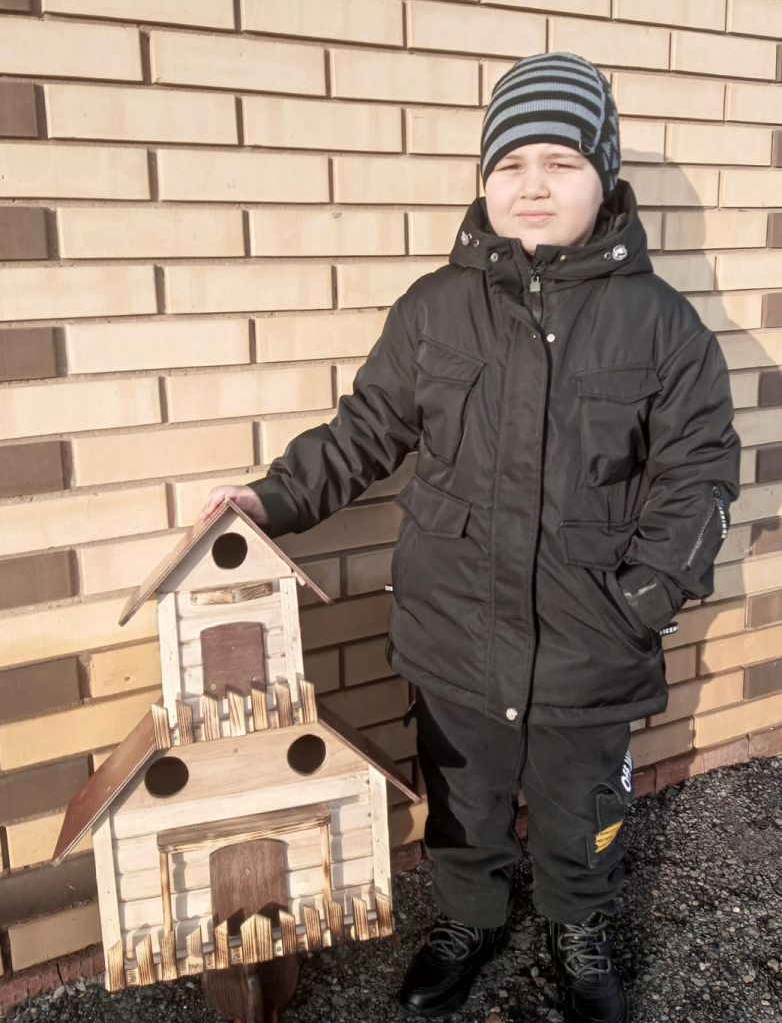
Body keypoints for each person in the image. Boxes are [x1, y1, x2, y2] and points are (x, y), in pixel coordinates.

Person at [201, 51, 741, 1023]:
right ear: (484, 181)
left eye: (560, 163)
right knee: (461, 800)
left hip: (589, 638)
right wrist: (269, 501)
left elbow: (698, 472)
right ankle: (467, 918)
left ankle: (578, 927)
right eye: (510, 165)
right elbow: (363, 432)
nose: (533, 186)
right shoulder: (433, 310)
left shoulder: (660, 327)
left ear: (604, 178)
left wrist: (647, 598)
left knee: (582, 807)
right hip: (452, 629)